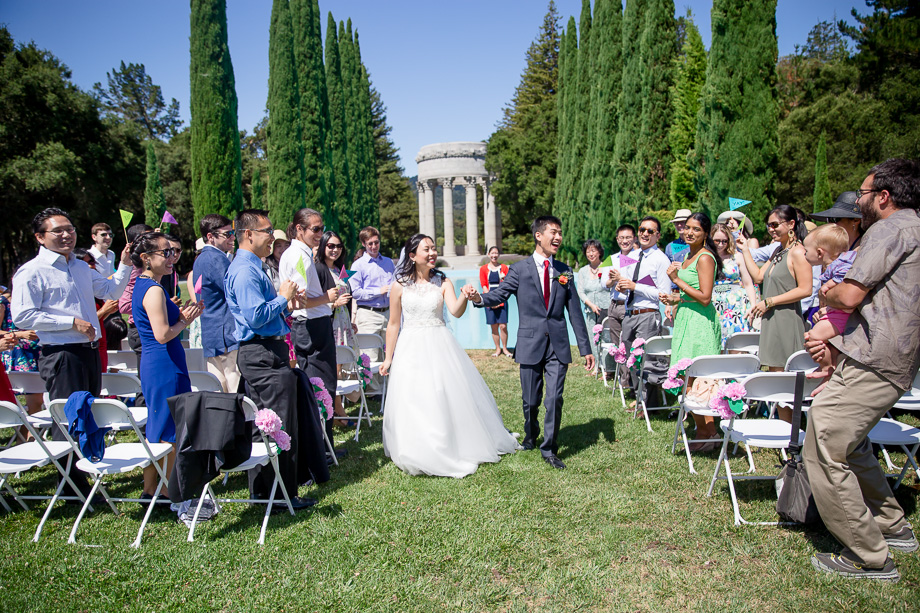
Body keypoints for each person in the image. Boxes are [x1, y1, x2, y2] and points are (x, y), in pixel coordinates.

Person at [804, 158, 920, 581]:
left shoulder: (890, 229)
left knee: (824, 441)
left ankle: (868, 555)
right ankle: (893, 525)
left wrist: (830, 292)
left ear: (884, 197)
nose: (860, 200)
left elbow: (850, 295)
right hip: (895, 357)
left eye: (864, 193)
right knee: (851, 446)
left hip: (875, 355)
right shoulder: (916, 227)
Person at [12, 207, 132, 494]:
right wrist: (70, 322)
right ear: (40, 237)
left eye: (70, 229)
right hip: (62, 354)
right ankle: (69, 487)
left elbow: (111, 292)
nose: (66, 235)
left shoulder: (79, 266)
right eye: (58, 231)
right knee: (68, 418)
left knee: (88, 414)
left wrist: (125, 265)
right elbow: (23, 317)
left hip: (89, 351)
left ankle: (85, 475)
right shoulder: (32, 271)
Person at [380, 234, 520, 477]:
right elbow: (393, 324)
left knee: (441, 392)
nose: (433, 253)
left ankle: (449, 442)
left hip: (439, 342)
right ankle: (416, 445)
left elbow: (455, 311)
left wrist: (465, 295)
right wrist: (388, 357)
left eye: (434, 248)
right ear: (412, 256)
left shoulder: (443, 282)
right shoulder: (399, 286)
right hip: (410, 346)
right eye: (427, 249)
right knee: (413, 396)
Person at [466, 216, 594, 470]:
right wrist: (479, 298)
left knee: (554, 398)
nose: (558, 237)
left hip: (558, 344)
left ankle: (549, 448)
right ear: (538, 235)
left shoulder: (564, 271)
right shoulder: (520, 269)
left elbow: (575, 312)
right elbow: (499, 294)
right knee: (531, 400)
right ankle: (530, 434)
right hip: (529, 342)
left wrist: (586, 348)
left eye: (560, 233)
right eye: (553, 232)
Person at [225, 208, 320, 510]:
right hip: (261, 352)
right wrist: (282, 296)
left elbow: (265, 312)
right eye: (267, 231)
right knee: (277, 423)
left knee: (267, 423)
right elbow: (255, 317)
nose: (272, 236)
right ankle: (279, 496)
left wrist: (287, 304)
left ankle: (266, 491)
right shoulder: (244, 270)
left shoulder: (254, 266)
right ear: (248, 234)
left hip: (267, 349)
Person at [131, 231, 203, 498]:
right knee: (167, 429)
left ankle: (154, 489)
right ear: (146, 258)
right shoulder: (152, 289)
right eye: (165, 252)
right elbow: (162, 334)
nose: (172, 257)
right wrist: (185, 320)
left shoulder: (147, 286)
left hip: (158, 363)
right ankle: (161, 491)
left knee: (160, 425)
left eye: (173, 251)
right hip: (164, 364)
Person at [661, 213, 723, 447]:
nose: (689, 232)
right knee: (687, 377)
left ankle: (708, 433)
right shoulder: (688, 256)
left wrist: (676, 280)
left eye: (696, 229)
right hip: (686, 317)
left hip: (700, 321)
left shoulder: (705, 258)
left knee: (699, 378)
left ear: (706, 234)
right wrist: (673, 298)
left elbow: (706, 297)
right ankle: (704, 431)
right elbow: (690, 292)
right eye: (687, 228)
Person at [739, 205, 812, 371]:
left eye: (775, 225)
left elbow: (805, 289)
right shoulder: (779, 251)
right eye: (769, 226)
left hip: (786, 317)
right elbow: (758, 277)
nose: (771, 229)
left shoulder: (798, 252)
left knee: (785, 371)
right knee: (773, 368)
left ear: (791, 224)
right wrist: (745, 250)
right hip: (772, 316)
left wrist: (770, 301)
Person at [610, 216, 672, 410]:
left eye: (650, 231)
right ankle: (639, 400)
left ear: (658, 236)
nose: (645, 233)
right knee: (632, 360)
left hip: (647, 313)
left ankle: (649, 405)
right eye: (642, 229)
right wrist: (621, 283)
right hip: (629, 313)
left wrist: (636, 286)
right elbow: (628, 283)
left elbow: (664, 294)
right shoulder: (634, 255)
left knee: (647, 360)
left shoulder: (660, 259)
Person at [192, 214, 241, 393]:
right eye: (227, 234)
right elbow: (235, 291)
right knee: (234, 390)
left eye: (233, 233)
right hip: (226, 333)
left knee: (219, 391)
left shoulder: (201, 259)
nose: (232, 237)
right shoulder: (216, 258)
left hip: (212, 333)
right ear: (210, 236)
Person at [314, 230, 357, 425]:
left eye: (338, 246)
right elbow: (314, 302)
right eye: (331, 245)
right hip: (329, 324)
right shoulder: (318, 269)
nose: (335, 249)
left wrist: (350, 320)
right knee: (333, 371)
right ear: (323, 246)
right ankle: (338, 414)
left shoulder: (339, 269)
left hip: (343, 322)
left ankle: (338, 412)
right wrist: (334, 304)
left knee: (338, 370)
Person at [801, 224, 856, 348]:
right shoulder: (833, 265)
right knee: (812, 338)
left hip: (840, 316)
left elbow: (844, 276)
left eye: (806, 251)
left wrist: (827, 285)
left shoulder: (841, 263)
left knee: (812, 337)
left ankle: (827, 367)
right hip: (833, 313)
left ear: (819, 253)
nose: (804, 254)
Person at [348, 227, 395, 363]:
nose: (374, 246)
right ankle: (372, 386)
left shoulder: (388, 262)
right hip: (369, 315)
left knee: (389, 357)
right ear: (364, 244)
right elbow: (355, 292)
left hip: (388, 313)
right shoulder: (358, 265)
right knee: (370, 359)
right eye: (370, 244)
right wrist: (378, 291)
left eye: (376, 242)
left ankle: (385, 385)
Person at [710, 224, 757, 343]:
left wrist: (753, 306)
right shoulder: (706, 257)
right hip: (714, 304)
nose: (720, 244)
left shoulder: (737, 256)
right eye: (717, 241)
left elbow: (748, 283)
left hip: (736, 304)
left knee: (736, 343)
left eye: (724, 241)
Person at [118, 223, 154, 373]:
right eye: (147, 237)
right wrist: (154, 306)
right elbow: (124, 305)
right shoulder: (133, 269)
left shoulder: (151, 265)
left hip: (153, 326)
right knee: (146, 380)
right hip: (141, 329)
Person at [0, 289, 42, 416]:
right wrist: (20, 334)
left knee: (36, 400)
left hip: (35, 353)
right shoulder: (3, 302)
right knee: (14, 401)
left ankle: (27, 435)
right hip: (15, 354)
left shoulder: (37, 302)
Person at [602, 224, 638, 355]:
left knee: (630, 342)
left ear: (634, 239)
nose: (624, 241)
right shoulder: (611, 259)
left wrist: (619, 278)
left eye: (628, 237)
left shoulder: (639, 258)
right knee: (617, 345)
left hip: (630, 306)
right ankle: (622, 374)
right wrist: (613, 280)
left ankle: (630, 374)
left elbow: (639, 284)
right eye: (621, 237)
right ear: (617, 239)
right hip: (614, 306)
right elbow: (604, 284)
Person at [576, 239, 610, 375]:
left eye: (593, 250)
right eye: (588, 251)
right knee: (593, 338)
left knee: (607, 338)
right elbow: (580, 291)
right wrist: (590, 304)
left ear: (599, 252)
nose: (591, 254)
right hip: (591, 310)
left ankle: (608, 368)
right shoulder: (583, 271)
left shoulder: (607, 268)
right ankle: (597, 367)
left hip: (606, 308)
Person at [479, 246, 512, 358]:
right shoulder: (483, 269)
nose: (494, 255)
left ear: (498, 255)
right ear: (488, 255)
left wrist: (500, 299)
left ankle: (505, 348)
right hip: (489, 298)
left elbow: (508, 285)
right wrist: (491, 301)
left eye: (496, 253)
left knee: (503, 325)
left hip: (502, 298)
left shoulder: (504, 268)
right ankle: (498, 349)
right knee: (494, 326)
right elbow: (483, 285)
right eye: (492, 253)